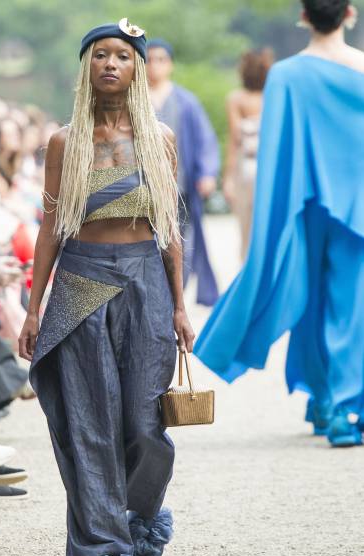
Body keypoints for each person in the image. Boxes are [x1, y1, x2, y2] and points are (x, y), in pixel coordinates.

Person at [19, 20, 195, 556]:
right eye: (101, 55)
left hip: (145, 278)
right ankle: (102, 548)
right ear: (87, 66)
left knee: (146, 424)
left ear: (138, 67)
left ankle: (139, 513)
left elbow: (170, 228)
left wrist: (179, 305)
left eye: (122, 55)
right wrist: (32, 306)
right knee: (88, 422)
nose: (111, 64)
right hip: (79, 280)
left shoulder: (159, 140)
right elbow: (50, 225)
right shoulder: (64, 142)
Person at [194, 0, 364, 448]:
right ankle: (346, 406)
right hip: (356, 204)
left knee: (308, 297)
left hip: (305, 203)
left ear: (304, 17)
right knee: (350, 305)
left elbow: (277, 151)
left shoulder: (286, 75)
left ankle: (325, 400)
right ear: (350, 14)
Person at [146, 39, 220, 305]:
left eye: (161, 59)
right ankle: (155, 293)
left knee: (181, 240)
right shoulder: (136, 101)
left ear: (171, 64)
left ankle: (177, 290)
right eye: (148, 60)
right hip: (144, 188)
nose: (154, 65)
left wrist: (208, 172)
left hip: (180, 186)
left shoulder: (186, 101)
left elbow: (205, 140)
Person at [223, 48, 274, 260]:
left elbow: (235, 140)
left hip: (246, 169)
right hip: (269, 168)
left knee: (245, 230)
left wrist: (228, 178)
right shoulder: (273, 96)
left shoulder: (236, 99)